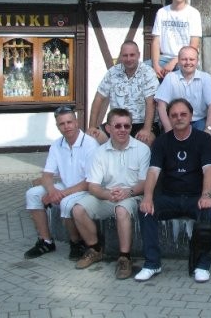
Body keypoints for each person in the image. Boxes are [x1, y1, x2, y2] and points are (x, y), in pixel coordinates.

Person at [135, 98, 211, 283]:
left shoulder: (203, 139)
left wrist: (206, 195)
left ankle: (202, 265)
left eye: (183, 114)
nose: (179, 118)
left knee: (209, 212)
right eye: (174, 115)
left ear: (191, 116)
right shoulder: (162, 142)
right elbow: (153, 172)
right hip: (169, 197)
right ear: (169, 118)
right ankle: (152, 263)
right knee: (146, 211)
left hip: (195, 197)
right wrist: (147, 197)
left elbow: (208, 171)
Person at [72, 108, 150, 280]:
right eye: (118, 126)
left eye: (127, 126)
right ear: (108, 128)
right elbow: (93, 185)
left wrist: (127, 192)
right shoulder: (99, 152)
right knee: (78, 209)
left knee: (122, 210)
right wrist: (107, 194)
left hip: (133, 195)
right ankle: (95, 249)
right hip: (108, 195)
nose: (123, 130)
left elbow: (145, 183)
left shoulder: (143, 149)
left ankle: (124, 257)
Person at [24, 106, 99, 260]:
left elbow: (91, 181)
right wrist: (52, 192)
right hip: (66, 186)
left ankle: (76, 243)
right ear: (57, 126)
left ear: (77, 122)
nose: (66, 127)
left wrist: (60, 194)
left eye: (69, 122)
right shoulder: (56, 145)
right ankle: (46, 241)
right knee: (32, 194)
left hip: (87, 189)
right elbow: (47, 174)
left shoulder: (90, 145)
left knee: (65, 202)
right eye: (62, 124)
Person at [87, 40, 159, 146]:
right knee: (91, 140)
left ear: (138, 55)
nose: (129, 59)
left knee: (144, 142)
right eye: (125, 55)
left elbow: (151, 102)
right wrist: (92, 127)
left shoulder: (148, 73)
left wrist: (147, 129)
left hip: (142, 123)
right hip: (116, 124)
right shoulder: (112, 72)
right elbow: (98, 98)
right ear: (121, 56)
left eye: (132, 55)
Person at [154, 46, 211, 134]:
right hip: (175, 120)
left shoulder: (206, 78)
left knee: (203, 141)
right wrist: (168, 129)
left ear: (197, 61)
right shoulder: (170, 77)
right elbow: (161, 105)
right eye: (184, 59)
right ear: (179, 61)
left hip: (198, 121)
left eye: (191, 59)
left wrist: (209, 129)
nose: (188, 62)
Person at [150, 0, 202, 79]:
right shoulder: (162, 12)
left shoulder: (193, 13)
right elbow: (156, 41)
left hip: (185, 59)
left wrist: (174, 62)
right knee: (144, 70)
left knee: (180, 75)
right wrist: (156, 65)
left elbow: (194, 44)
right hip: (163, 57)